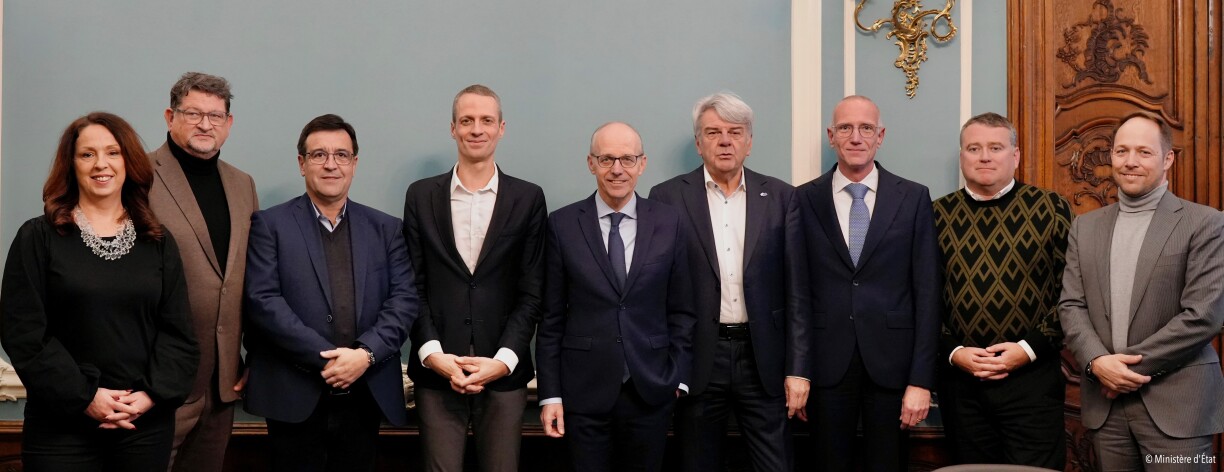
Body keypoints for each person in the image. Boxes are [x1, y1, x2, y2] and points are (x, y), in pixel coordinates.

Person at [0, 112, 199, 471]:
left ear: (128, 162)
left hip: (143, 423)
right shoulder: (38, 237)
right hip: (60, 427)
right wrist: (85, 397)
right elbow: (24, 334)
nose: (100, 164)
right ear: (71, 165)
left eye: (112, 152)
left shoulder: (157, 241)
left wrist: (149, 396)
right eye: (87, 154)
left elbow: (179, 332)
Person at [243, 114, 418, 472]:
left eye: (341, 155)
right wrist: (328, 360)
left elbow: (403, 302)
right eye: (319, 154)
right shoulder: (269, 225)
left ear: (354, 163)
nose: (330, 164)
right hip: (292, 393)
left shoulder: (386, 229)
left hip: (365, 393)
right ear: (301, 163)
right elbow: (263, 302)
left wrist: (364, 355)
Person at [648, 92, 810, 471]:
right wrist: (667, 366)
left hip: (764, 358)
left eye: (735, 132)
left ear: (749, 142)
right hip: (698, 357)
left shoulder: (782, 197)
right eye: (713, 132)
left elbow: (798, 292)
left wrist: (798, 369)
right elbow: (657, 291)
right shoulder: (666, 198)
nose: (725, 141)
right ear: (698, 143)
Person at [1059, 110, 1224, 472]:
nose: (1130, 161)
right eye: (1121, 151)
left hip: (1177, 407)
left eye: (1144, 152)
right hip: (1107, 409)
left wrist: (1121, 372)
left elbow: (1203, 315)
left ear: (1168, 159)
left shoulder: (1205, 223)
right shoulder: (1085, 227)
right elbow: (1071, 306)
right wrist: (1098, 363)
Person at [536, 122, 696, 472]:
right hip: (583, 392)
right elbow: (551, 319)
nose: (617, 169)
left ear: (642, 163)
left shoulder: (670, 222)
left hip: (651, 389)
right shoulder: (562, 224)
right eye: (607, 159)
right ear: (591, 163)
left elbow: (683, 310)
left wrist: (679, 378)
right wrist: (550, 394)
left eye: (627, 159)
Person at [402, 84, 546, 472]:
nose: (476, 129)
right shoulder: (420, 196)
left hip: (504, 373)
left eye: (486, 120)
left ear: (502, 128)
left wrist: (503, 361)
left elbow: (532, 292)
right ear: (453, 128)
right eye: (467, 121)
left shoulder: (528, 198)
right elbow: (411, 286)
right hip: (436, 373)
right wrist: (434, 356)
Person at [796, 95, 942, 472]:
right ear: (831, 135)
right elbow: (796, 292)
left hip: (893, 367)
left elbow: (928, 294)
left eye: (866, 128)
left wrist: (921, 380)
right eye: (845, 128)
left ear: (881, 135)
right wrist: (797, 370)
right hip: (825, 366)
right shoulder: (803, 199)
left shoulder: (913, 197)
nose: (856, 137)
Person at [933, 112, 1071, 469]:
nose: (984, 157)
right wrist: (954, 352)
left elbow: (1073, 295)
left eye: (995, 148)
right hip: (961, 386)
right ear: (961, 156)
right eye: (974, 148)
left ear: (1016, 155)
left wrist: (1027, 349)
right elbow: (922, 299)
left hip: (1033, 381)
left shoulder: (1050, 208)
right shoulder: (936, 215)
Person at [148, 71, 259, 472]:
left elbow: (253, 279)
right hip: (157, 381)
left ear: (228, 123)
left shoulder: (242, 184)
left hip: (223, 382)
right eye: (193, 113)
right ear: (170, 117)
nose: (205, 124)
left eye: (215, 116)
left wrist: (255, 354)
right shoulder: (138, 175)